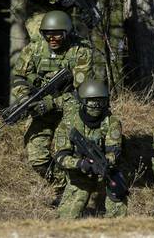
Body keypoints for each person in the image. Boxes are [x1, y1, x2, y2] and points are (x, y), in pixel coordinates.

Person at [11, 10, 95, 199]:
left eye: (57, 33)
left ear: (67, 33)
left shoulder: (80, 51)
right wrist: (25, 98)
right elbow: (18, 78)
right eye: (48, 34)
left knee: (66, 151)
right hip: (41, 109)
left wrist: (52, 103)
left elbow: (81, 92)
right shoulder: (34, 49)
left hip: (71, 109)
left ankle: (79, 190)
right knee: (37, 157)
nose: (52, 38)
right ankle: (62, 184)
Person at [54, 80, 127, 219]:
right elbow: (60, 157)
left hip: (107, 173)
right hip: (79, 176)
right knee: (66, 219)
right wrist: (81, 164)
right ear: (83, 102)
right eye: (93, 102)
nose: (97, 106)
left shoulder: (112, 122)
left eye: (101, 102)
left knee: (119, 213)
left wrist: (105, 162)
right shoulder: (69, 123)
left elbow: (114, 151)